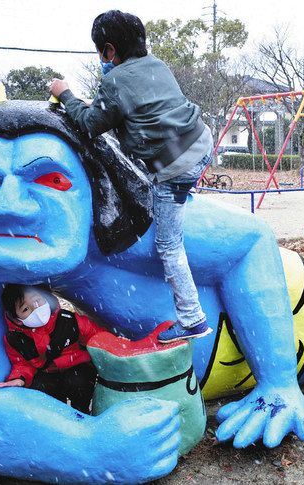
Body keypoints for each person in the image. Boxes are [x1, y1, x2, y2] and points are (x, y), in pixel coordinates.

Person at [49, 10, 213, 343]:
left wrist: (65, 94)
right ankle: (182, 193)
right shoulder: (158, 66)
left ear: (108, 51)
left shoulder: (115, 80)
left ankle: (193, 318)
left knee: (168, 246)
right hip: (201, 143)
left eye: (101, 52)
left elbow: (92, 124)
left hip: (175, 167)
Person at [0, 284, 105, 413]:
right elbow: (21, 363)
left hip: (75, 365)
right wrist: (19, 379)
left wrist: (113, 346)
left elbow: (96, 336)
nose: (36, 308)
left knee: (79, 383)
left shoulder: (69, 320)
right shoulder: (16, 339)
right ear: (17, 319)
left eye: (37, 300)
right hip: (46, 372)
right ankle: (58, 416)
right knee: (43, 390)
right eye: (25, 309)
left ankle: (81, 412)